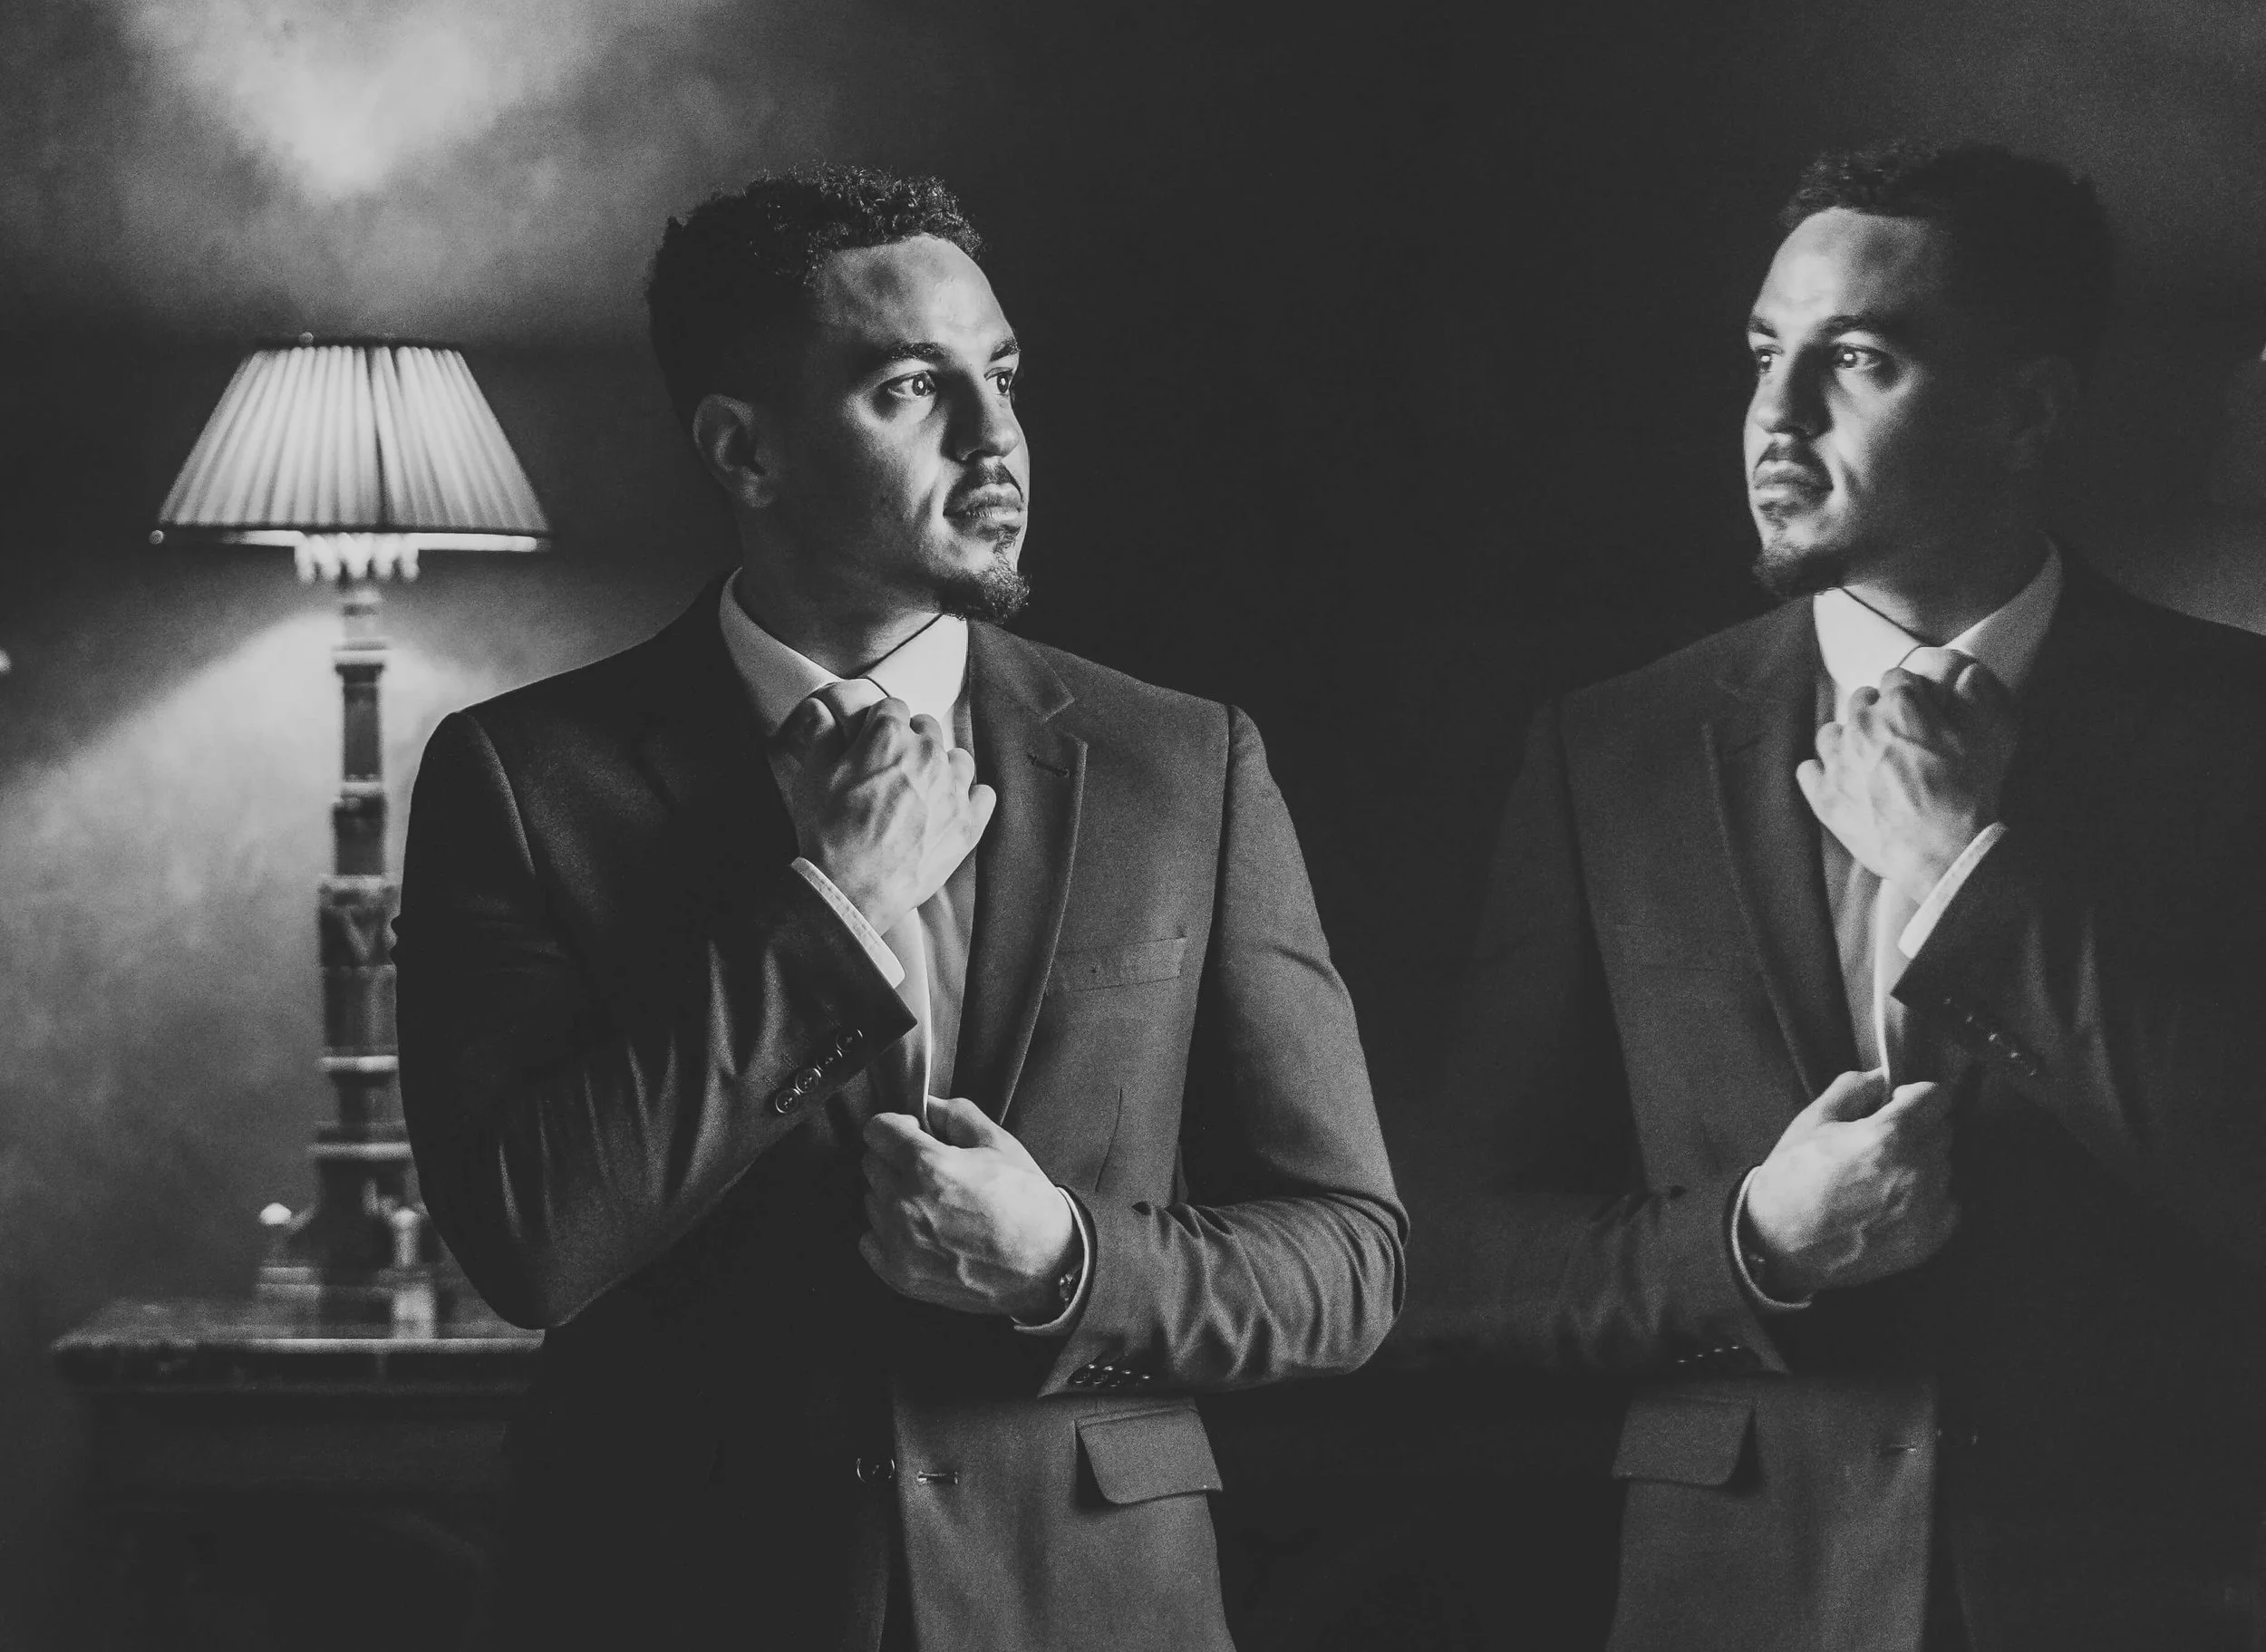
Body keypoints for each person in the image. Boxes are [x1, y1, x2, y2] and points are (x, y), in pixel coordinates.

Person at [392, 166, 1405, 1651]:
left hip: (1089, 1603)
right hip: (672, 1591)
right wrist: (835, 905)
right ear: (745, 451)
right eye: (911, 390)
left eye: (1001, 376)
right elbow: (533, 1241)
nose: (998, 440)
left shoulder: (1184, 764)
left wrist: (1064, 1260)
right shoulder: (523, 777)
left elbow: (1350, 1261)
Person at [1432, 142, 2266, 1650]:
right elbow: (1455, 1252)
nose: (1776, 415)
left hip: (2146, 1596)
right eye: (1765, 354)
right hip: (1740, 1601)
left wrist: (1965, 880)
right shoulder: (1613, 752)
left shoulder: (2238, 728)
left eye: (1857, 360)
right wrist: (1756, 1244)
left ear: (2028, 410)